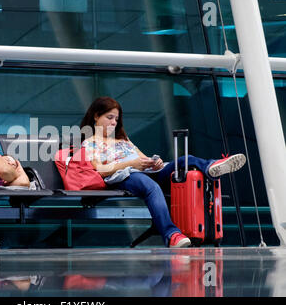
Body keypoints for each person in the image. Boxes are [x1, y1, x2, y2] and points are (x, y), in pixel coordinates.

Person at [80, 96, 247, 248]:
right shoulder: (90, 142)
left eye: (116, 119)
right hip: (123, 176)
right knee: (150, 186)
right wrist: (132, 164)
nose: (114, 122)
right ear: (96, 116)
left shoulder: (123, 139)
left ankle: (211, 168)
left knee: (184, 160)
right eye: (109, 118)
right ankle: (171, 235)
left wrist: (154, 162)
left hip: (143, 172)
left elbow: (142, 159)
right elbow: (99, 170)